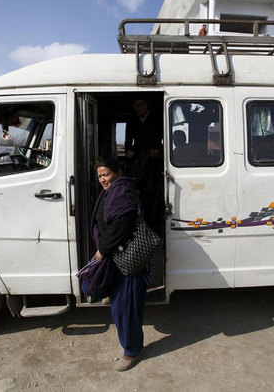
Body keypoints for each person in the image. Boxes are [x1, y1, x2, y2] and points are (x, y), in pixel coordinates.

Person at [91, 159, 146, 371]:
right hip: (115, 255)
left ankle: (132, 351)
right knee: (124, 302)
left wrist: (102, 250)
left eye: (106, 174)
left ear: (118, 172)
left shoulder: (123, 192)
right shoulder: (110, 191)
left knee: (126, 306)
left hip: (126, 257)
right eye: (99, 176)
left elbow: (121, 225)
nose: (102, 179)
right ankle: (133, 345)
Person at [125, 98, 163, 230]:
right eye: (136, 105)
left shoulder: (158, 117)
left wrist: (159, 151)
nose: (138, 107)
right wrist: (128, 151)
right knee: (136, 191)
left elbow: (167, 136)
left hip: (153, 160)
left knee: (152, 192)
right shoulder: (132, 119)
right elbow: (128, 138)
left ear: (147, 104)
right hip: (137, 159)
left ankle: (152, 224)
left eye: (141, 105)